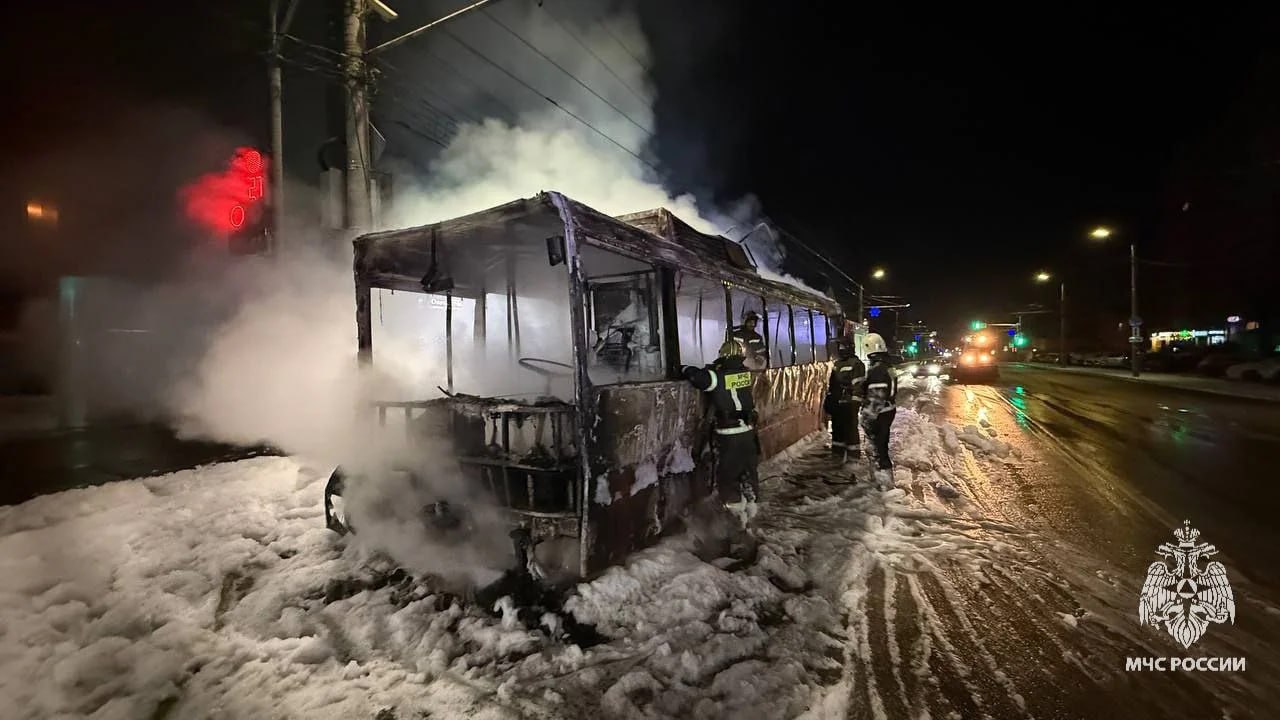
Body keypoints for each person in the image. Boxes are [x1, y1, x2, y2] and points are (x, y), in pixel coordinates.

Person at [682, 338, 761, 528]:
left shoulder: (717, 376)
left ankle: (735, 520)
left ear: (723, 355)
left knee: (728, 475)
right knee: (747, 471)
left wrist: (684, 368)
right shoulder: (744, 373)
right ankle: (751, 510)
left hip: (729, 433)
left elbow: (698, 378)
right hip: (748, 432)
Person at [857, 332, 898, 488]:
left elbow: (876, 397)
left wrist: (866, 418)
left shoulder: (877, 370)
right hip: (888, 410)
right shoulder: (888, 366)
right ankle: (884, 480)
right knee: (881, 446)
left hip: (879, 414)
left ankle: (883, 483)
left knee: (876, 449)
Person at [824, 338, 866, 462]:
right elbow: (832, 385)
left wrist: (855, 404)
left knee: (851, 431)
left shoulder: (856, 364)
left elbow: (858, 386)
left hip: (849, 404)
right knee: (837, 431)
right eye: (840, 347)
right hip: (838, 405)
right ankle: (837, 455)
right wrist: (830, 400)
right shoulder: (837, 364)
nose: (841, 349)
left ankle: (853, 459)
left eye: (843, 347)